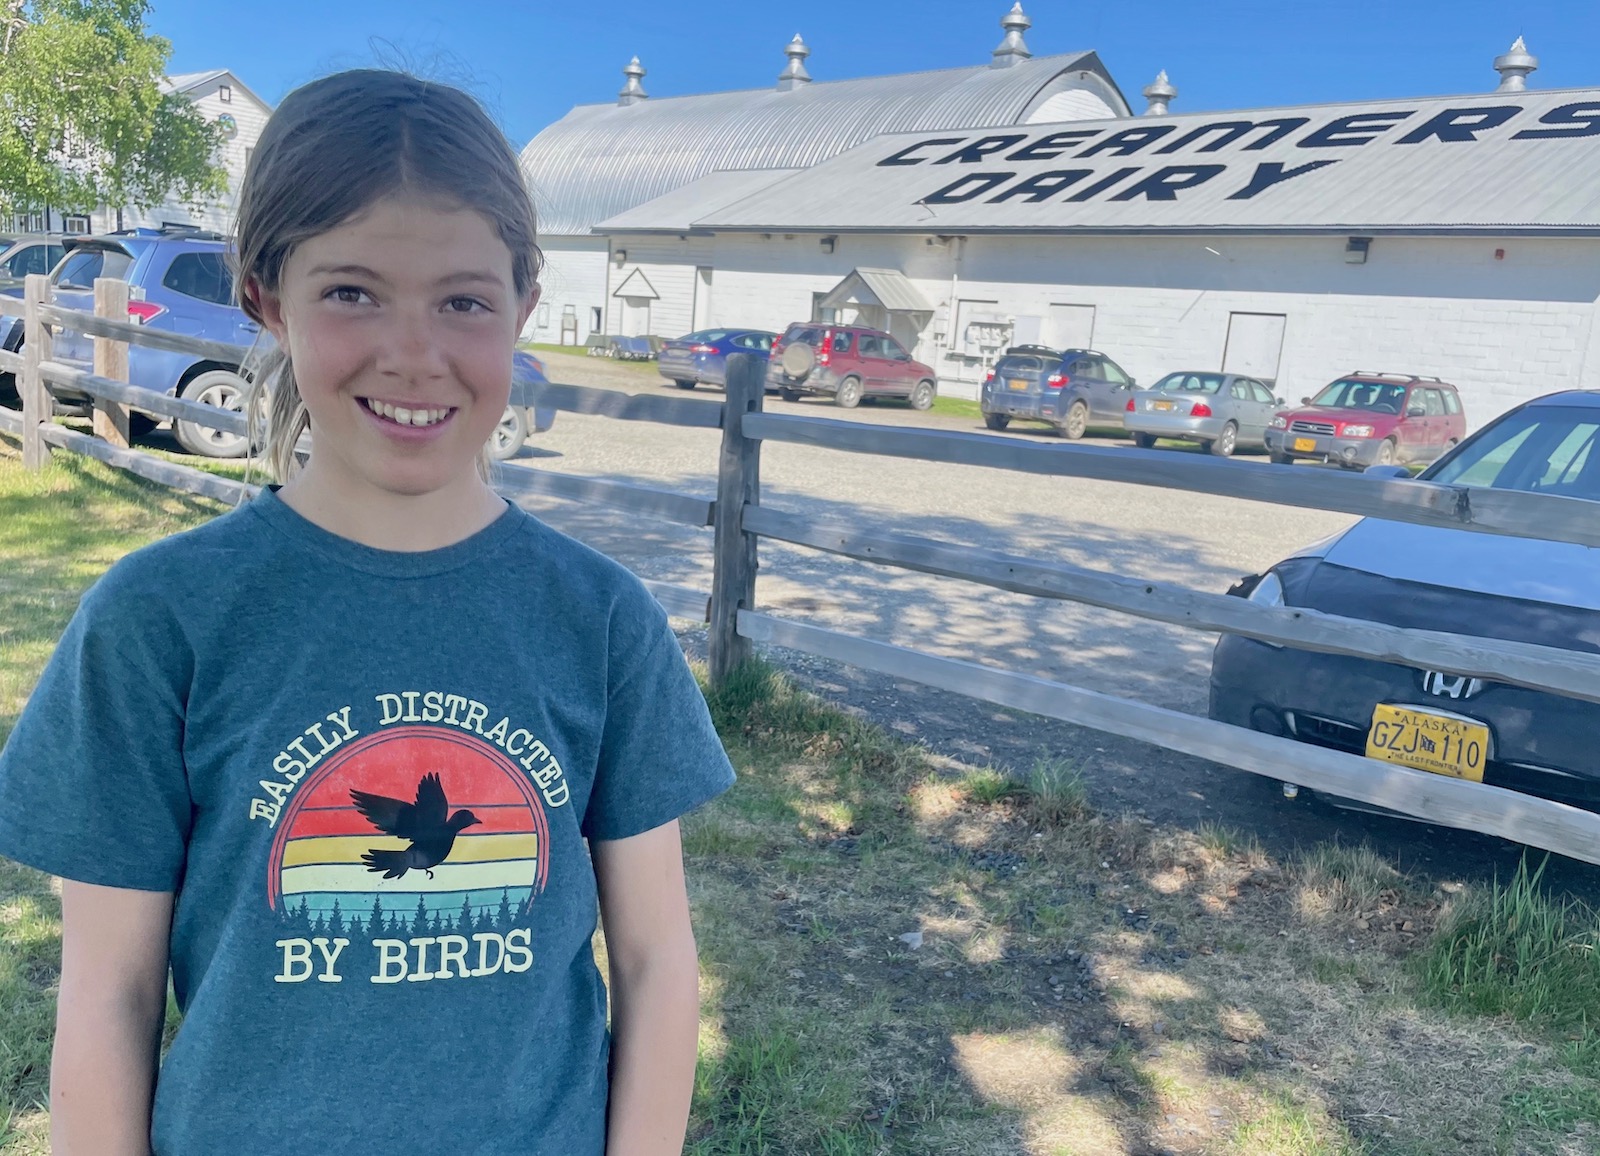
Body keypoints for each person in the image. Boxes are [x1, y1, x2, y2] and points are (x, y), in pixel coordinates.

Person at [0, 70, 734, 1155]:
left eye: (463, 301)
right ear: (263, 295)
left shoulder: (603, 621)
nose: (412, 352)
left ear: (523, 307)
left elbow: (658, 962)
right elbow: (108, 994)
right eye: (351, 291)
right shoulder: (158, 621)